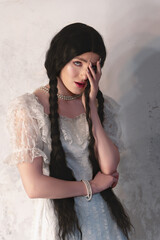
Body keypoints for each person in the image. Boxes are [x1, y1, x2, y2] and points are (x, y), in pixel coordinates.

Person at [6, 23, 132, 240]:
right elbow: (34, 186)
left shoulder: (102, 105)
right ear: (59, 60)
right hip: (61, 221)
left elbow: (109, 167)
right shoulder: (29, 108)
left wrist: (91, 107)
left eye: (93, 65)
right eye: (78, 63)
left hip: (104, 219)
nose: (85, 73)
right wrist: (92, 186)